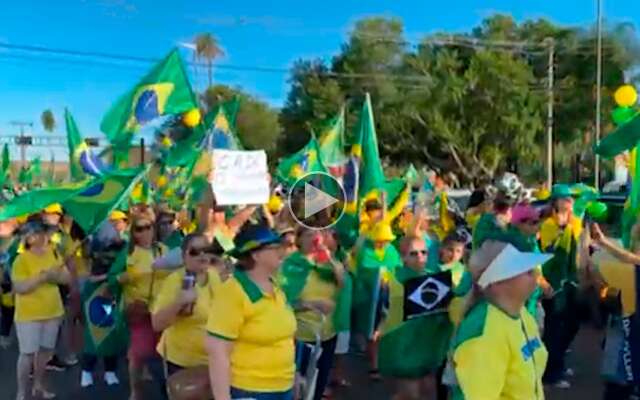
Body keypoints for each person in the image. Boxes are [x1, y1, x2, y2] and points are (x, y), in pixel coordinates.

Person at [452, 241, 551, 400]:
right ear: (497, 282)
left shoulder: (521, 313)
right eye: (522, 269)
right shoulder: (484, 333)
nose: (534, 272)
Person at [206, 224, 296, 400]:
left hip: (283, 387)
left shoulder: (275, 286)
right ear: (256, 255)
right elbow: (218, 351)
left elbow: (285, 338)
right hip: (251, 391)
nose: (282, 251)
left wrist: (294, 375)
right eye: (275, 247)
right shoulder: (233, 292)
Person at [280, 228, 346, 400]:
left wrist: (328, 257)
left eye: (319, 234)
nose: (315, 238)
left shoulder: (327, 265)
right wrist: (310, 305)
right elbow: (280, 304)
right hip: (299, 336)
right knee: (296, 389)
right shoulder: (289, 265)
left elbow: (343, 281)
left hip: (327, 334)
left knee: (318, 384)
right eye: (309, 234)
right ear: (299, 240)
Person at [12, 220, 71, 400]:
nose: (47, 236)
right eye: (42, 233)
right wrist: (43, 277)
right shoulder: (21, 259)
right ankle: (21, 392)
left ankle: (38, 385)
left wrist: (55, 276)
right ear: (31, 237)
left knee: (45, 351)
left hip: (52, 311)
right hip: (29, 315)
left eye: (47, 233)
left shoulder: (53, 253)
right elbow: (20, 287)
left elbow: (66, 279)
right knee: (27, 354)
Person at [152, 234, 222, 376]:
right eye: (194, 252)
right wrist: (179, 302)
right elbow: (157, 324)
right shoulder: (174, 281)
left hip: (210, 361)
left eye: (206, 249)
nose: (201, 255)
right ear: (184, 256)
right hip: (180, 363)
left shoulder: (214, 276)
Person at [116, 213, 168, 400]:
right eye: (140, 228)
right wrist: (126, 277)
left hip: (161, 307)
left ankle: (166, 388)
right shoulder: (129, 253)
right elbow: (115, 277)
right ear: (133, 232)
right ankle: (135, 391)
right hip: (139, 307)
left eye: (149, 227)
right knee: (139, 352)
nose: (145, 231)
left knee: (163, 350)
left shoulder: (163, 250)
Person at [539, 184, 583, 388]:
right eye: (565, 198)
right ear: (555, 201)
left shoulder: (574, 221)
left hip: (569, 280)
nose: (570, 201)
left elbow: (580, 244)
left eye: (571, 198)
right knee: (553, 328)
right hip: (553, 283)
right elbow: (549, 249)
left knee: (572, 323)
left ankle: (558, 361)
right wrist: (561, 226)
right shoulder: (548, 224)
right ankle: (551, 373)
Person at [353, 221, 403, 381]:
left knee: (384, 331)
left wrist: (387, 278)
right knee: (372, 331)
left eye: (386, 240)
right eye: (380, 240)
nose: (382, 243)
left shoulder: (392, 251)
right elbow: (361, 271)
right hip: (369, 299)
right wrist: (377, 275)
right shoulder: (365, 251)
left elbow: (398, 269)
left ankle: (379, 360)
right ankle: (374, 364)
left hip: (389, 297)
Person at [0, 217, 19, 349]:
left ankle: (5, 333)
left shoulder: (18, 239)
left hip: (12, 279)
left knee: (9, 308)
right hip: (5, 278)